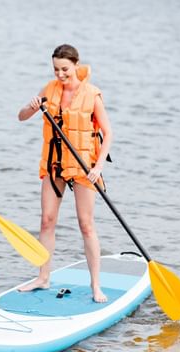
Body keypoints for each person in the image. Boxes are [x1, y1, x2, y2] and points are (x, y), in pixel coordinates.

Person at [17, 44, 112, 303]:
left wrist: (98, 167)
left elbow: (109, 134)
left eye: (65, 69)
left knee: (86, 225)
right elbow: (21, 117)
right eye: (56, 69)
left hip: (84, 167)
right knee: (47, 221)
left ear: (76, 66)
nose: (60, 74)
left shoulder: (92, 95)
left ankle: (96, 286)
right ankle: (43, 277)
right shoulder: (49, 90)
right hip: (55, 164)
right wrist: (32, 106)